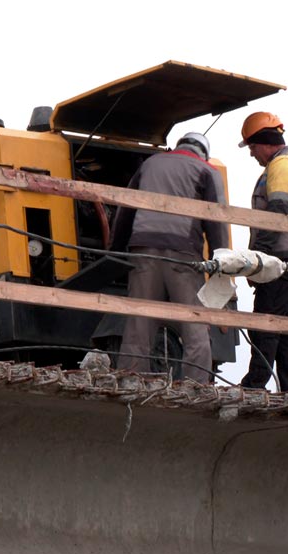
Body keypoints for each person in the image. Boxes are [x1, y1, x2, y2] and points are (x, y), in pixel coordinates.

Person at [110, 132, 228, 384]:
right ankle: (196, 385)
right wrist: (220, 263)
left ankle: (130, 379)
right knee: (194, 323)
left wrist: (114, 253)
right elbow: (216, 221)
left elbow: (125, 210)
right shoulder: (207, 171)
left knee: (138, 323)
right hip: (182, 255)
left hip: (142, 251)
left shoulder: (150, 164)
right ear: (203, 152)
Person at [237, 112, 288, 394]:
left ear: (265, 142)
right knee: (282, 323)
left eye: (252, 147)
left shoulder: (283, 165)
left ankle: (255, 383)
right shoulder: (282, 164)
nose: (252, 154)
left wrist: (258, 259)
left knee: (266, 319)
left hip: (281, 255)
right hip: (286, 253)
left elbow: (278, 212)